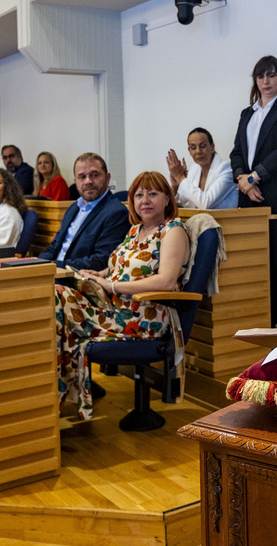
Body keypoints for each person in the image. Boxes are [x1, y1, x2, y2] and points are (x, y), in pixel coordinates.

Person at [54, 171, 189, 420]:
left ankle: (59, 396)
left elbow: (167, 281)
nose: (144, 200)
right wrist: (98, 273)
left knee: (57, 303)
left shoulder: (172, 231)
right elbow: (120, 266)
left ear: (167, 199)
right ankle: (53, 395)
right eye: (138, 195)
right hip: (113, 309)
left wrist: (111, 286)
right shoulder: (135, 230)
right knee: (55, 296)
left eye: (152, 194)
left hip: (145, 317)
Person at [229, 55, 277, 327]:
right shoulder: (247, 114)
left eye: (272, 75)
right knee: (258, 270)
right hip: (251, 200)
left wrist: (254, 176)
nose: (266, 81)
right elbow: (237, 152)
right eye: (261, 76)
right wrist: (243, 180)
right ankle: (262, 328)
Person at [37, 152, 131, 271]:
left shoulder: (116, 212)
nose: (88, 181)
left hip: (79, 280)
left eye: (94, 175)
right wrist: (38, 263)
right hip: (54, 273)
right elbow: (54, 248)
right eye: (82, 177)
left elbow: (101, 260)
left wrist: (54, 266)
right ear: (75, 181)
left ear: (107, 178)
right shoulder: (73, 208)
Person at [166, 127, 236, 210]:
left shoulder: (226, 169)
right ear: (189, 151)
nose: (198, 151)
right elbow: (184, 203)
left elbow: (206, 204)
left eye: (203, 146)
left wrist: (181, 178)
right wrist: (176, 186)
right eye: (193, 147)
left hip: (225, 222)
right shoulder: (194, 169)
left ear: (212, 147)